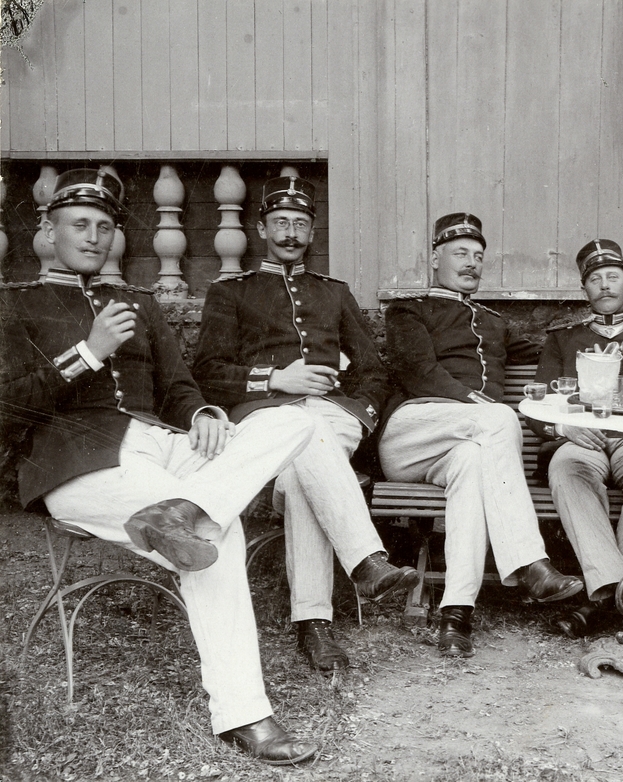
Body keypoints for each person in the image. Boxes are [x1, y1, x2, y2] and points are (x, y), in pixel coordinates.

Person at [0, 169, 318, 764]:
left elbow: (177, 386)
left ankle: (182, 509)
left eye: (104, 227)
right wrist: (88, 352)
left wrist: (202, 412)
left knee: (295, 423)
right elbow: (7, 407)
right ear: (47, 230)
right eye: (79, 224)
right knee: (216, 533)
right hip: (79, 459)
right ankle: (245, 714)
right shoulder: (15, 303)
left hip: (162, 445)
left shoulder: (139, 303)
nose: (93, 237)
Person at [192, 176, 417, 674]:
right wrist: (275, 378)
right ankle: (362, 563)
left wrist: (362, 413)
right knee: (300, 462)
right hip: (265, 417)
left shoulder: (334, 293)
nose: (290, 233)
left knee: (310, 440)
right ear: (261, 229)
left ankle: (315, 622)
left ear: (312, 233)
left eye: (300, 224)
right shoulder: (231, 293)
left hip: (334, 416)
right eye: (280, 222)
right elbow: (207, 372)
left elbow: (372, 369)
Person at [376, 213, 583, 657]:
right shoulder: (409, 310)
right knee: (501, 418)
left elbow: (552, 351)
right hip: (412, 433)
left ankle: (456, 615)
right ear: (435, 258)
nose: (471, 263)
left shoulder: (493, 322)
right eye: (460, 253)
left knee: (472, 467)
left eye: (478, 256)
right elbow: (419, 372)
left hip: (467, 444)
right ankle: (529, 562)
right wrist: (479, 405)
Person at [526, 240, 623, 638]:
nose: (605, 285)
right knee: (566, 471)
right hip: (583, 438)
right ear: (584, 290)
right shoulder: (563, 338)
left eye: (613, 276)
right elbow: (538, 403)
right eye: (595, 279)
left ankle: (605, 597)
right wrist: (564, 429)